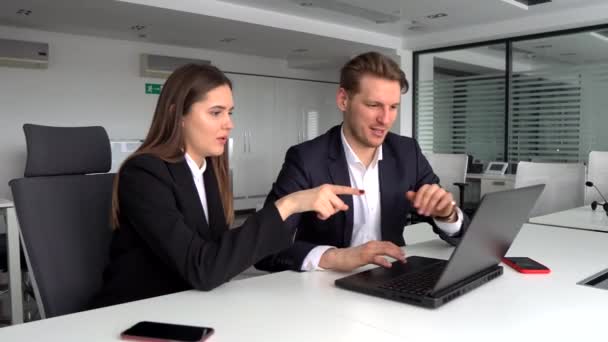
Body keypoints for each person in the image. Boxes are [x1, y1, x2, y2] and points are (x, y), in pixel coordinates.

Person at [90, 64, 361, 308]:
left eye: (230, 112)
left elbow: (221, 255)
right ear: (177, 115)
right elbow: (202, 268)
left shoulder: (208, 170)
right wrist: (288, 204)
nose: (229, 124)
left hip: (189, 304)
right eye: (215, 112)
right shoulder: (144, 174)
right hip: (135, 312)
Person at [256, 52, 470, 273]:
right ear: (343, 100)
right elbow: (264, 250)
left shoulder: (407, 152)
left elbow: (460, 231)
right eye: (373, 105)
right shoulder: (306, 159)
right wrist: (335, 257)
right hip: (327, 285)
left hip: (393, 277)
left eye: (393, 107)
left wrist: (447, 215)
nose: (385, 119)